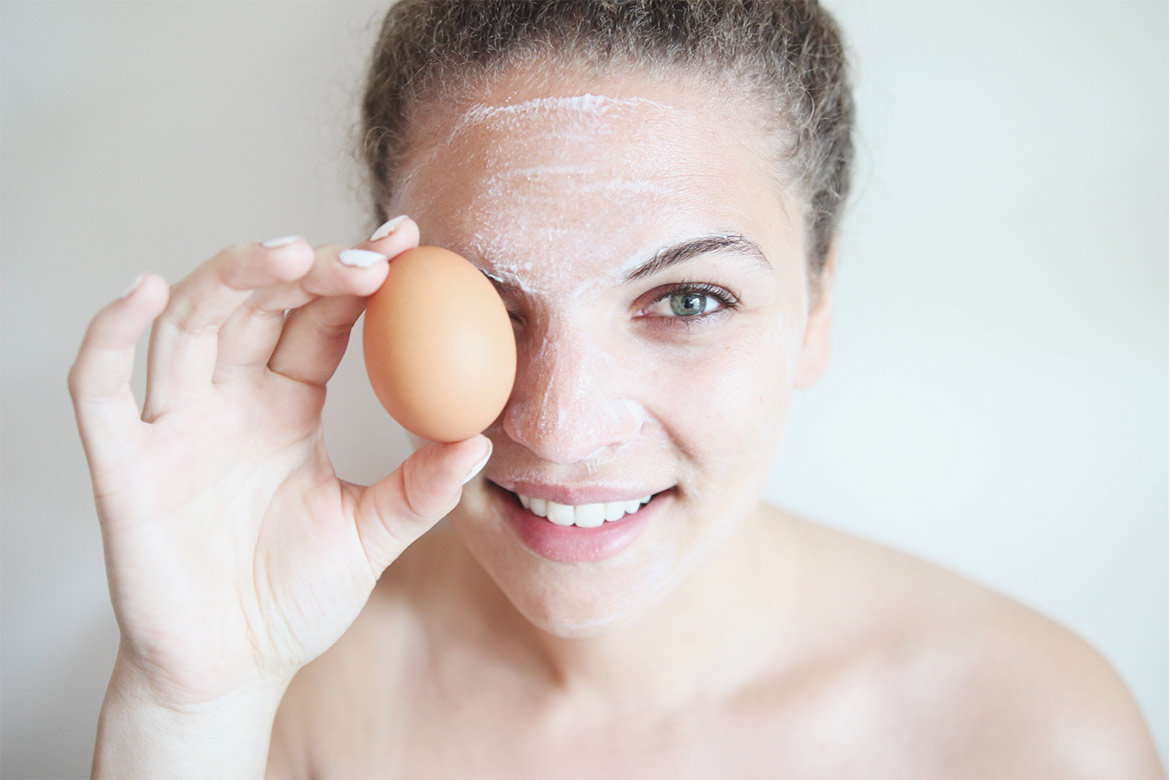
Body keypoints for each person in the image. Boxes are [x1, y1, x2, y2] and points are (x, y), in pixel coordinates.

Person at [68, 1, 1163, 777]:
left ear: (817, 308)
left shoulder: (1031, 737)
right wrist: (188, 708)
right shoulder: (287, 694)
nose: (562, 427)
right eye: (489, 308)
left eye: (688, 300)